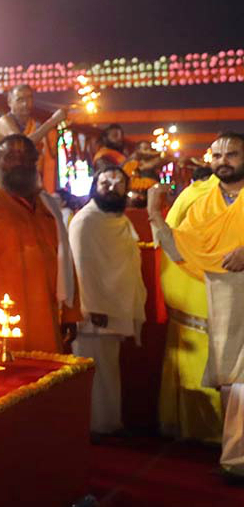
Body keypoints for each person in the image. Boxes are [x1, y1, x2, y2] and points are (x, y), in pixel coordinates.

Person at [148, 132, 244, 480]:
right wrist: (153, 215)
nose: (223, 161)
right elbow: (181, 249)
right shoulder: (201, 200)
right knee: (236, 384)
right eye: (217, 155)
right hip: (227, 304)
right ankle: (235, 460)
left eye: (232, 154)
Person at [0, 134, 80, 353]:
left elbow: (65, 260)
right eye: (10, 156)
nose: (19, 163)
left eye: (26, 157)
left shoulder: (47, 206)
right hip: (5, 326)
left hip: (49, 318)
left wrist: (70, 314)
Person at [68, 166, 146, 435]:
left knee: (109, 370)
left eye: (118, 183)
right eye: (105, 183)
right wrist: (92, 307)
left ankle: (109, 423)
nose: (112, 188)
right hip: (92, 311)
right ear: (94, 187)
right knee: (94, 372)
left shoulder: (120, 219)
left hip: (116, 305)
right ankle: (95, 426)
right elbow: (79, 267)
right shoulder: (84, 221)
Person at [0, 84, 68, 148]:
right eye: (20, 100)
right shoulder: (4, 122)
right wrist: (53, 120)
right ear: (9, 102)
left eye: (29, 98)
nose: (25, 104)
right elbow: (23, 143)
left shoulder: (32, 124)